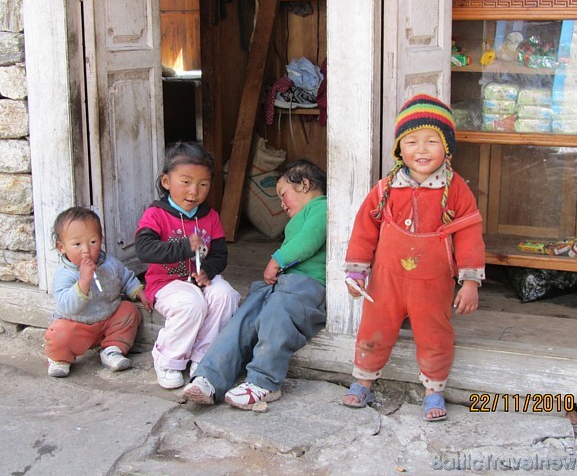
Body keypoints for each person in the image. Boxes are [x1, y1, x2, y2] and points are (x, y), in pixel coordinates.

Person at [341, 94, 485, 421]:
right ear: (399, 149)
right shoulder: (386, 188)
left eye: (432, 141)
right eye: (412, 141)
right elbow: (364, 231)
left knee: (434, 334)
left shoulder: (456, 189)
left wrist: (470, 281)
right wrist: (356, 273)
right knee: (373, 330)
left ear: (446, 147)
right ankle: (363, 381)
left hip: (432, 284)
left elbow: (469, 235)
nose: (421, 149)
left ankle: (434, 391)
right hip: (385, 282)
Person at [181, 159, 327, 410]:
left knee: (276, 315)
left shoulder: (322, 208)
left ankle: (264, 381)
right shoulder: (302, 215)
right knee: (242, 319)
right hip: (283, 285)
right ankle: (210, 377)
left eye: (283, 195)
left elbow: (309, 240)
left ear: (304, 185)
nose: (282, 205)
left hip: (306, 286)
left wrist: (277, 259)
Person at [135, 141, 240, 389]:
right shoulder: (156, 214)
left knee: (225, 295)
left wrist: (209, 271)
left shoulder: (210, 217)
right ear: (166, 181)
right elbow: (144, 249)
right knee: (191, 303)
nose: (194, 191)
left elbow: (220, 255)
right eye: (185, 182)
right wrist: (184, 246)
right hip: (166, 283)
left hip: (198, 280)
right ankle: (168, 359)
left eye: (203, 184)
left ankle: (203, 356)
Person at [44, 207, 151, 378]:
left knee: (129, 311)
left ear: (101, 240)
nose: (86, 249)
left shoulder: (109, 263)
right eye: (77, 244)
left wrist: (139, 292)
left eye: (93, 242)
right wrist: (83, 282)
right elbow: (66, 306)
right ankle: (59, 359)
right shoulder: (65, 274)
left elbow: (125, 278)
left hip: (108, 319)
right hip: (77, 325)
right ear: (61, 248)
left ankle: (111, 349)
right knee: (58, 332)